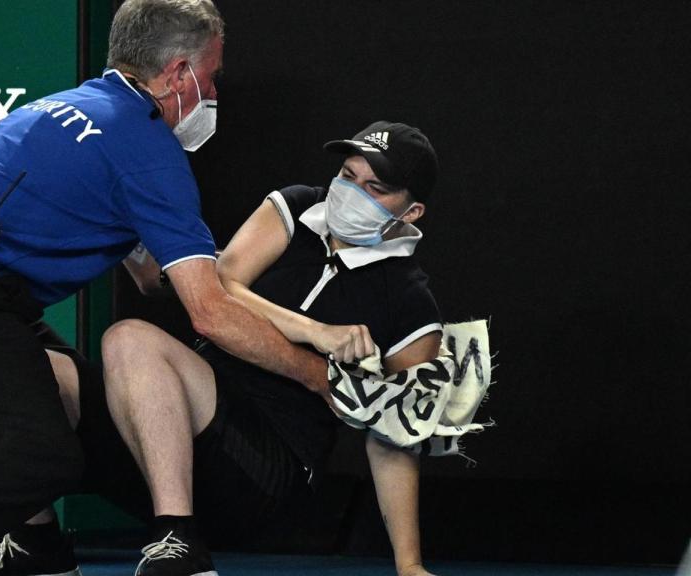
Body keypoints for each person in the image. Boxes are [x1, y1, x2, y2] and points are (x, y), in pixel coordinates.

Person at [0, 1, 332, 575]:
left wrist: (185, 248)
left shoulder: (80, 102)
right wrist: (316, 374)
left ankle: (37, 552)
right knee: (42, 451)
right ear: (179, 74)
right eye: (211, 76)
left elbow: (147, 276)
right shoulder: (150, 156)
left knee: (50, 395)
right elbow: (207, 315)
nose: (211, 91)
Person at [92, 120, 444, 576]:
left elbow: (394, 434)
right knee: (51, 370)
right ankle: (29, 542)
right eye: (347, 175)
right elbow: (221, 287)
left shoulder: (410, 303)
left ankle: (178, 541)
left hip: (270, 468)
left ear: (411, 212)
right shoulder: (296, 206)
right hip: (185, 430)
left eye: (374, 188)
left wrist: (409, 565)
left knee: (131, 338)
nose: (351, 193)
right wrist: (313, 331)